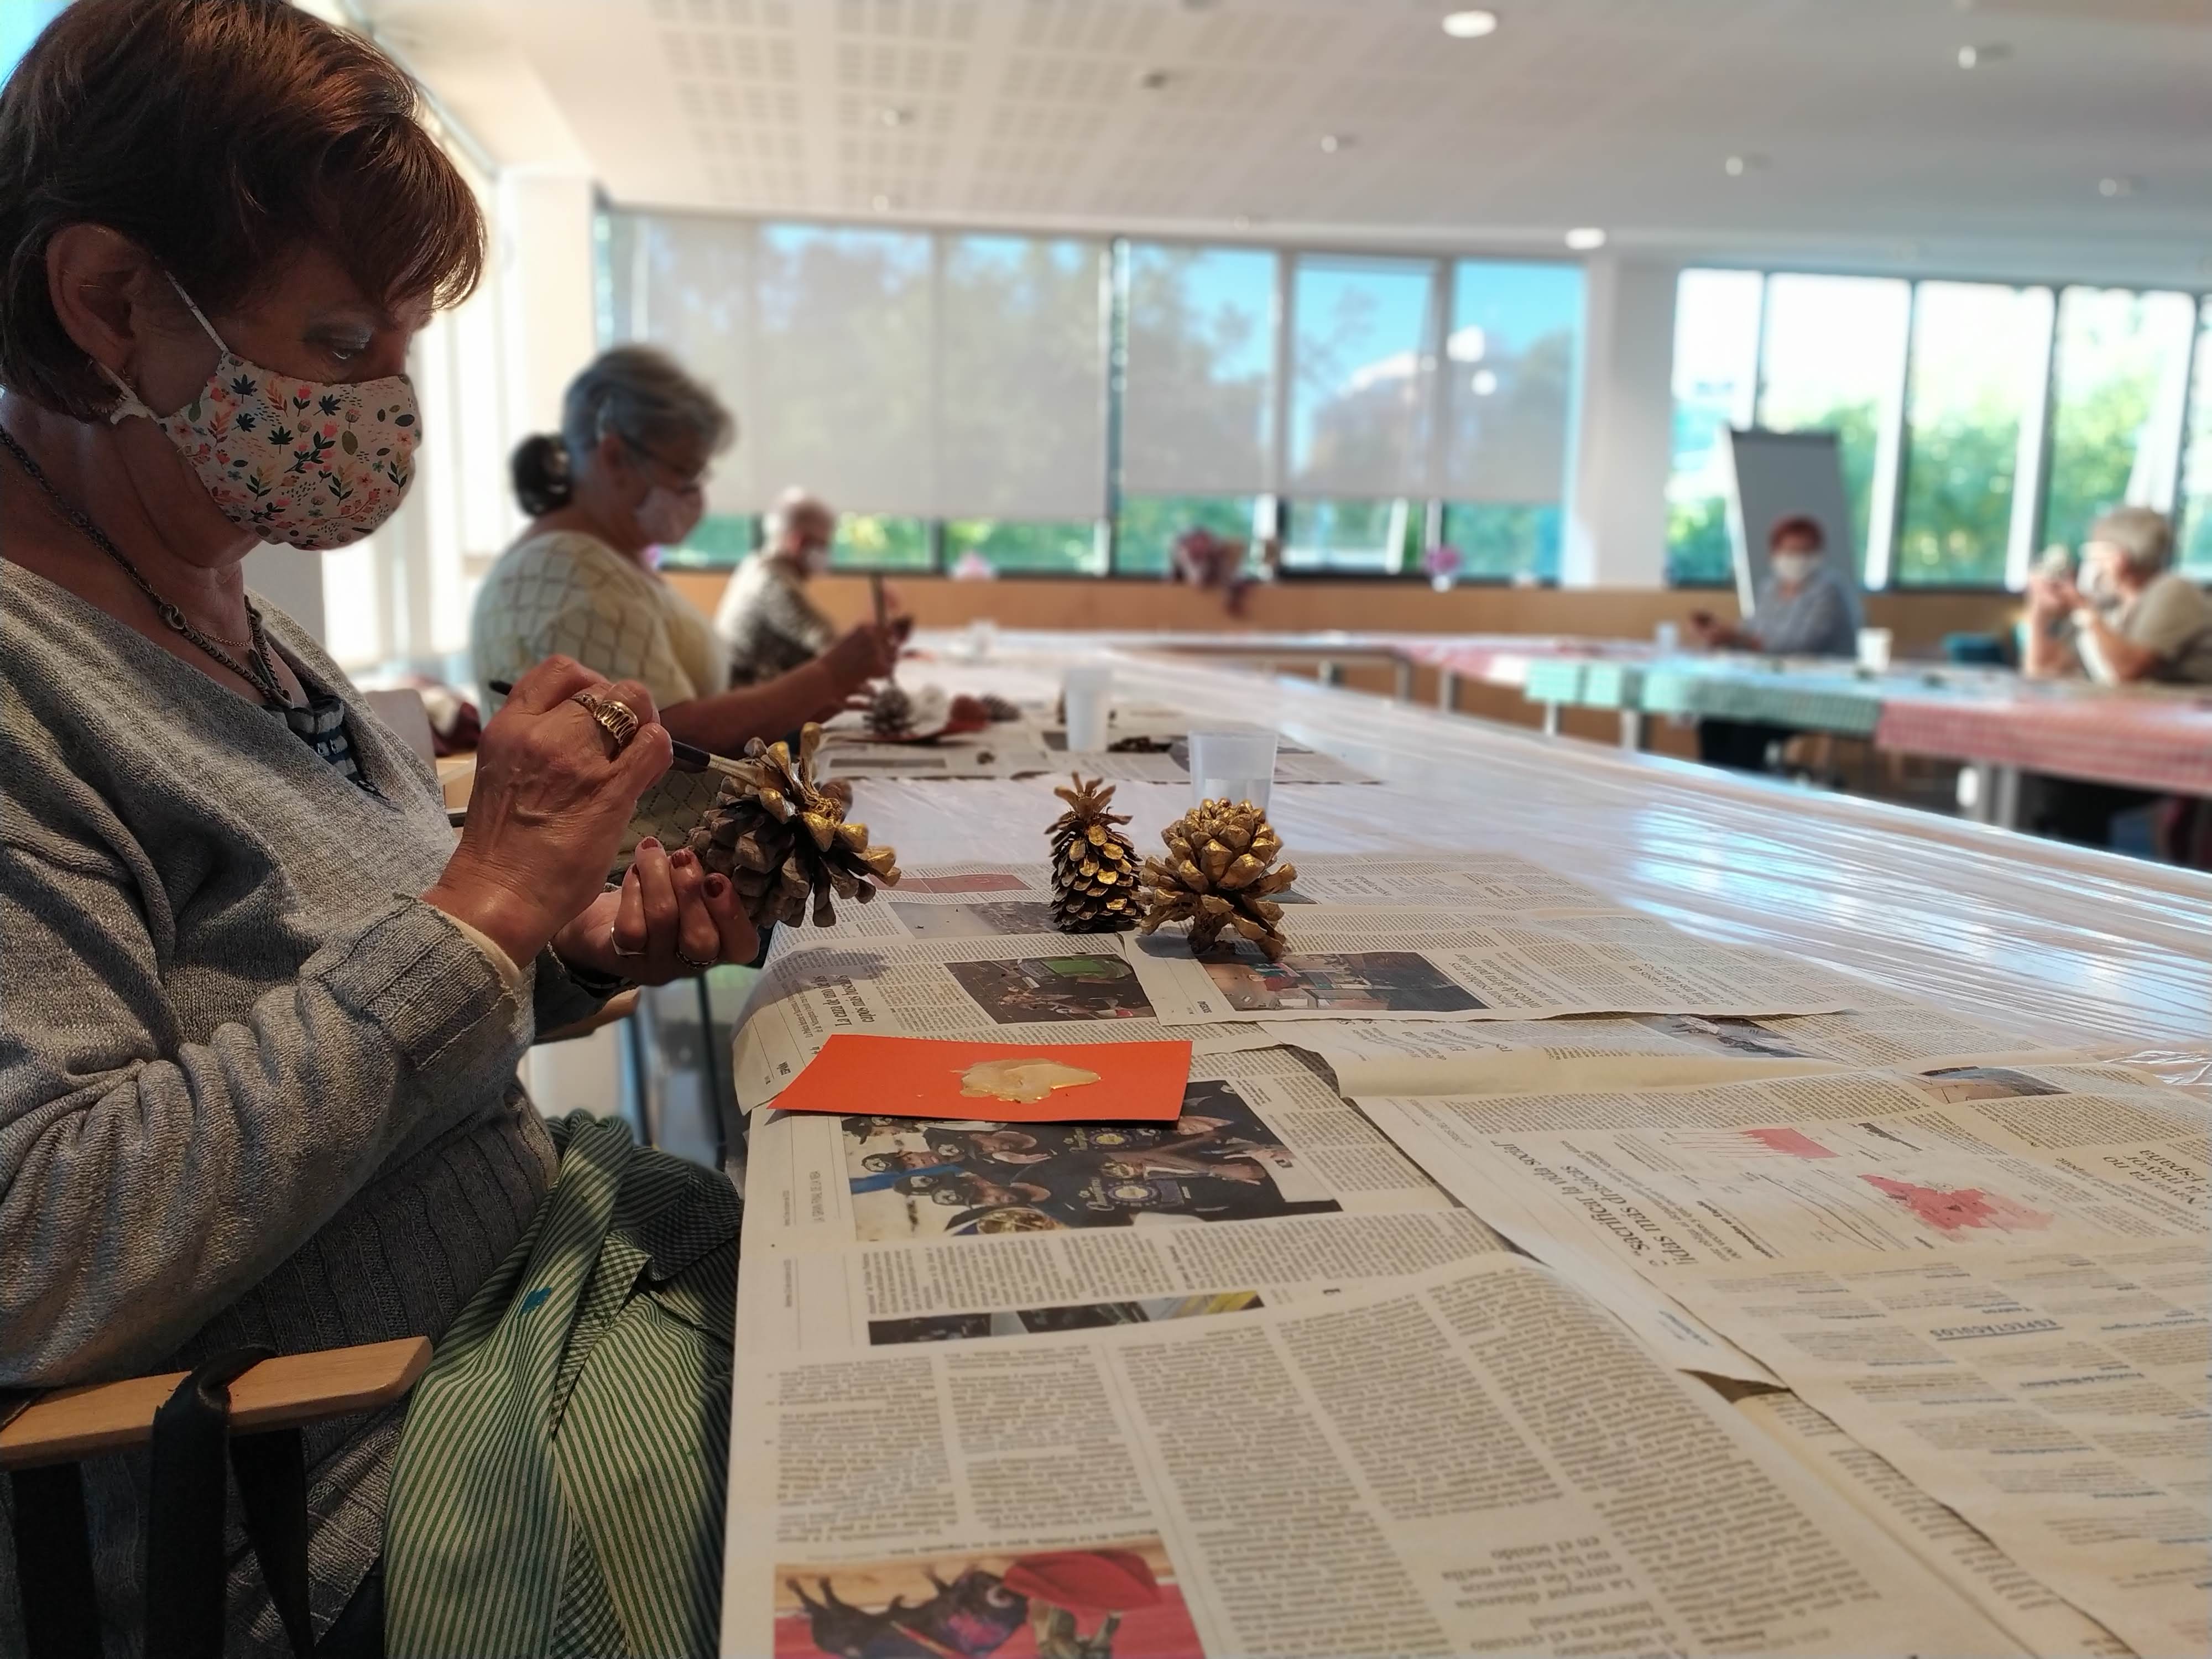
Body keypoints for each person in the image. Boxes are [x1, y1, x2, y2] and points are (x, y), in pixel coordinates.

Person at [0, 4, 751, 1651]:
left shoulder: (239, 622)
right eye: (341, 343)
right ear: (110, 300)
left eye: (401, 347)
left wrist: (563, 949)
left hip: (522, 1308)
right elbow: (40, 1253)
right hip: (336, 1489)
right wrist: (482, 914)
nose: (388, 406)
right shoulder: (26, 687)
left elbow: (336, 995)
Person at [473, 353, 899, 848]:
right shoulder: (571, 571)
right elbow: (668, 737)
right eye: (685, 474)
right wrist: (826, 677)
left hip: (670, 845)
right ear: (615, 457)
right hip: (630, 863)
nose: (696, 495)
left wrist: (812, 697)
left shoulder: (605, 560)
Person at [2020, 506, 2212, 847]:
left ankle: (2076, 870)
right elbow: (2042, 672)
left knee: (2065, 789)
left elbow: (2128, 672)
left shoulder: (2173, 592)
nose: (2090, 564)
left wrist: (2084, 611)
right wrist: (2039, 612)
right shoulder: (2111, 604)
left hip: (2182, 751)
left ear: (2118, 557)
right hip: (2125, 739)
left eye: (2093, 553)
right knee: (2042, 773)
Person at [1689, 514, 1860, 771]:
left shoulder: (1829, 590)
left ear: (1818, 554)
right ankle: (1716, 789)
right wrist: (1722, 634)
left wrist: (1741, 639)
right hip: (1771, 689)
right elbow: (1753, 631)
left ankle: (1744, 791)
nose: (1797, 559)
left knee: (1749, 728)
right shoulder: (1770, 588)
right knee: (1714, 719)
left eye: (1805, 552)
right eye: (1790, 551)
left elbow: (1800, 642)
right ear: (1776, 552)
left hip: (1815, 693)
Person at [714, 485, 846, 686]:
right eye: (823, 545)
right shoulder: (771, 581)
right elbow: (825, 641)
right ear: (799, 542)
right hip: (744, 692)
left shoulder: (760, 567)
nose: (826, 555)